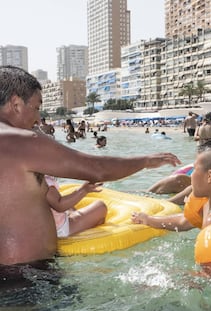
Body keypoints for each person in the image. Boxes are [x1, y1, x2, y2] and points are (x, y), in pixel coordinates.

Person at [0, 65, 181, 266]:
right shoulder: (20, 141)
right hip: (26, 274)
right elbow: (97, 169)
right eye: (36, 107)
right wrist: (145, 161)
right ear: (16, 104)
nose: (38, 117)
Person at [132, 139, 211, 281]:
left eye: (195, 169)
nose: (192, 175)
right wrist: (148, 219)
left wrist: (167, 278)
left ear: (210, 176)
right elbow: (184, 221)